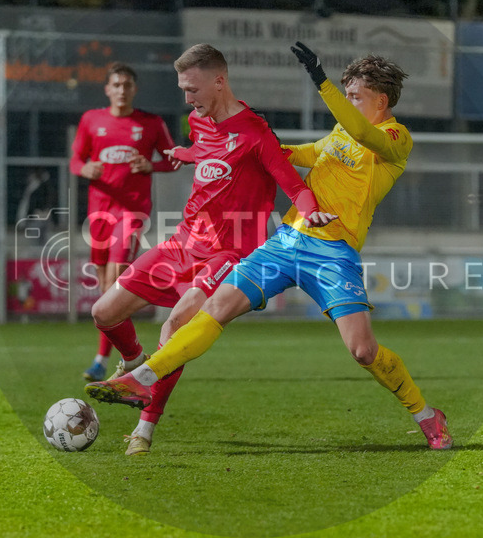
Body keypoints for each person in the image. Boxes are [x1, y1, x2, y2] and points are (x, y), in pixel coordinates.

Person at [86, 41, 453, 451]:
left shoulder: (395, 139)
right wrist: (237, 146)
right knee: (215, 309)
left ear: (381, 100)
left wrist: (321, 83)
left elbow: (361, 131)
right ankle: (143, 378)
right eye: (345, 93)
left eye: (355, 95)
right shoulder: (338, 134)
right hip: (287, 241)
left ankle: (425, 415)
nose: (348, 101)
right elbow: (301, 153)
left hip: (332, 252)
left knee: (363, 352)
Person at [84, 43, 333, 455]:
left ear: (219, 81)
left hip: (230, 252)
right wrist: (185, 153)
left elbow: (294, 186)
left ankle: (144, 429)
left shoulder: (256, 132)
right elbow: (208, 151)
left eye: (193, 89)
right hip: (183, 240)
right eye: (183, 89)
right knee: (103, 312)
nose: (187, 99)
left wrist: (312, 213)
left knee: (176, 324)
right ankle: (133, 364)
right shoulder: (198, 122)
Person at [71, 62, 178, 382]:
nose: (121, 90)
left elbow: (172, 159)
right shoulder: (92, 120)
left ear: (134, 89)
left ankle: (111, 358)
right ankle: (112, 356)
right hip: (99, 212)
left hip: (130, 212)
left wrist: (151, 165)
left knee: (115, 279)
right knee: (105, 288)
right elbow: (76, 158)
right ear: (107, 89)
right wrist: (84, 169)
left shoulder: (150, 123)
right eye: (116, 85)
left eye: (127, 85)